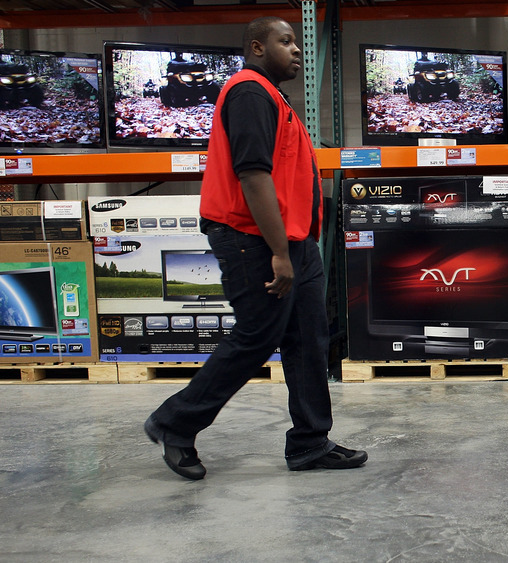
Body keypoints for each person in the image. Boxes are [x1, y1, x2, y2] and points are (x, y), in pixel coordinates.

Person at [143, 16, 367, 480]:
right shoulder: (248, 91)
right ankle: (174, 423)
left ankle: (309, 443)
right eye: (285, 41)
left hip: (294, 242)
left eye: (297, 42)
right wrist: (280, 252)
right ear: (257, 47)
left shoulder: (273, 96)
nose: (297, 50)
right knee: (258, 335)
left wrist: (296, 246)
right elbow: (252, 175)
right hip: (255, 241)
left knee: (308, 339)